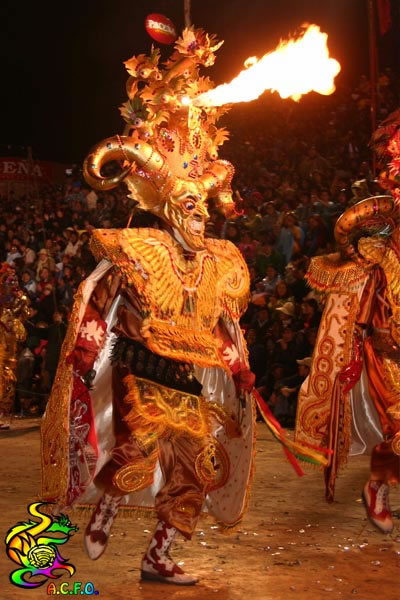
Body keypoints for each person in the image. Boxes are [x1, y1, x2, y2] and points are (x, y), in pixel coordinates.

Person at [41, 30, 257, 586]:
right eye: (189, 206)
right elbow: (106, 294)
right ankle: (107, 508)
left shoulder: (216, 261)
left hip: (187, 372)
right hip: (145, 364)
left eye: (204, 208)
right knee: (140, 443)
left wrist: (238, 366)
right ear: (168, 208)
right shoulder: (140, 247)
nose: (201, 217)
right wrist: (86, 349)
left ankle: (158, 555)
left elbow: (221, 321)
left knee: (196, 464)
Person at [295, 116, 400, 533]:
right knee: (396, 424)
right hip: (386, 355)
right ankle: (377, 486)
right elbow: (356, 316)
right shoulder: (374, 256)